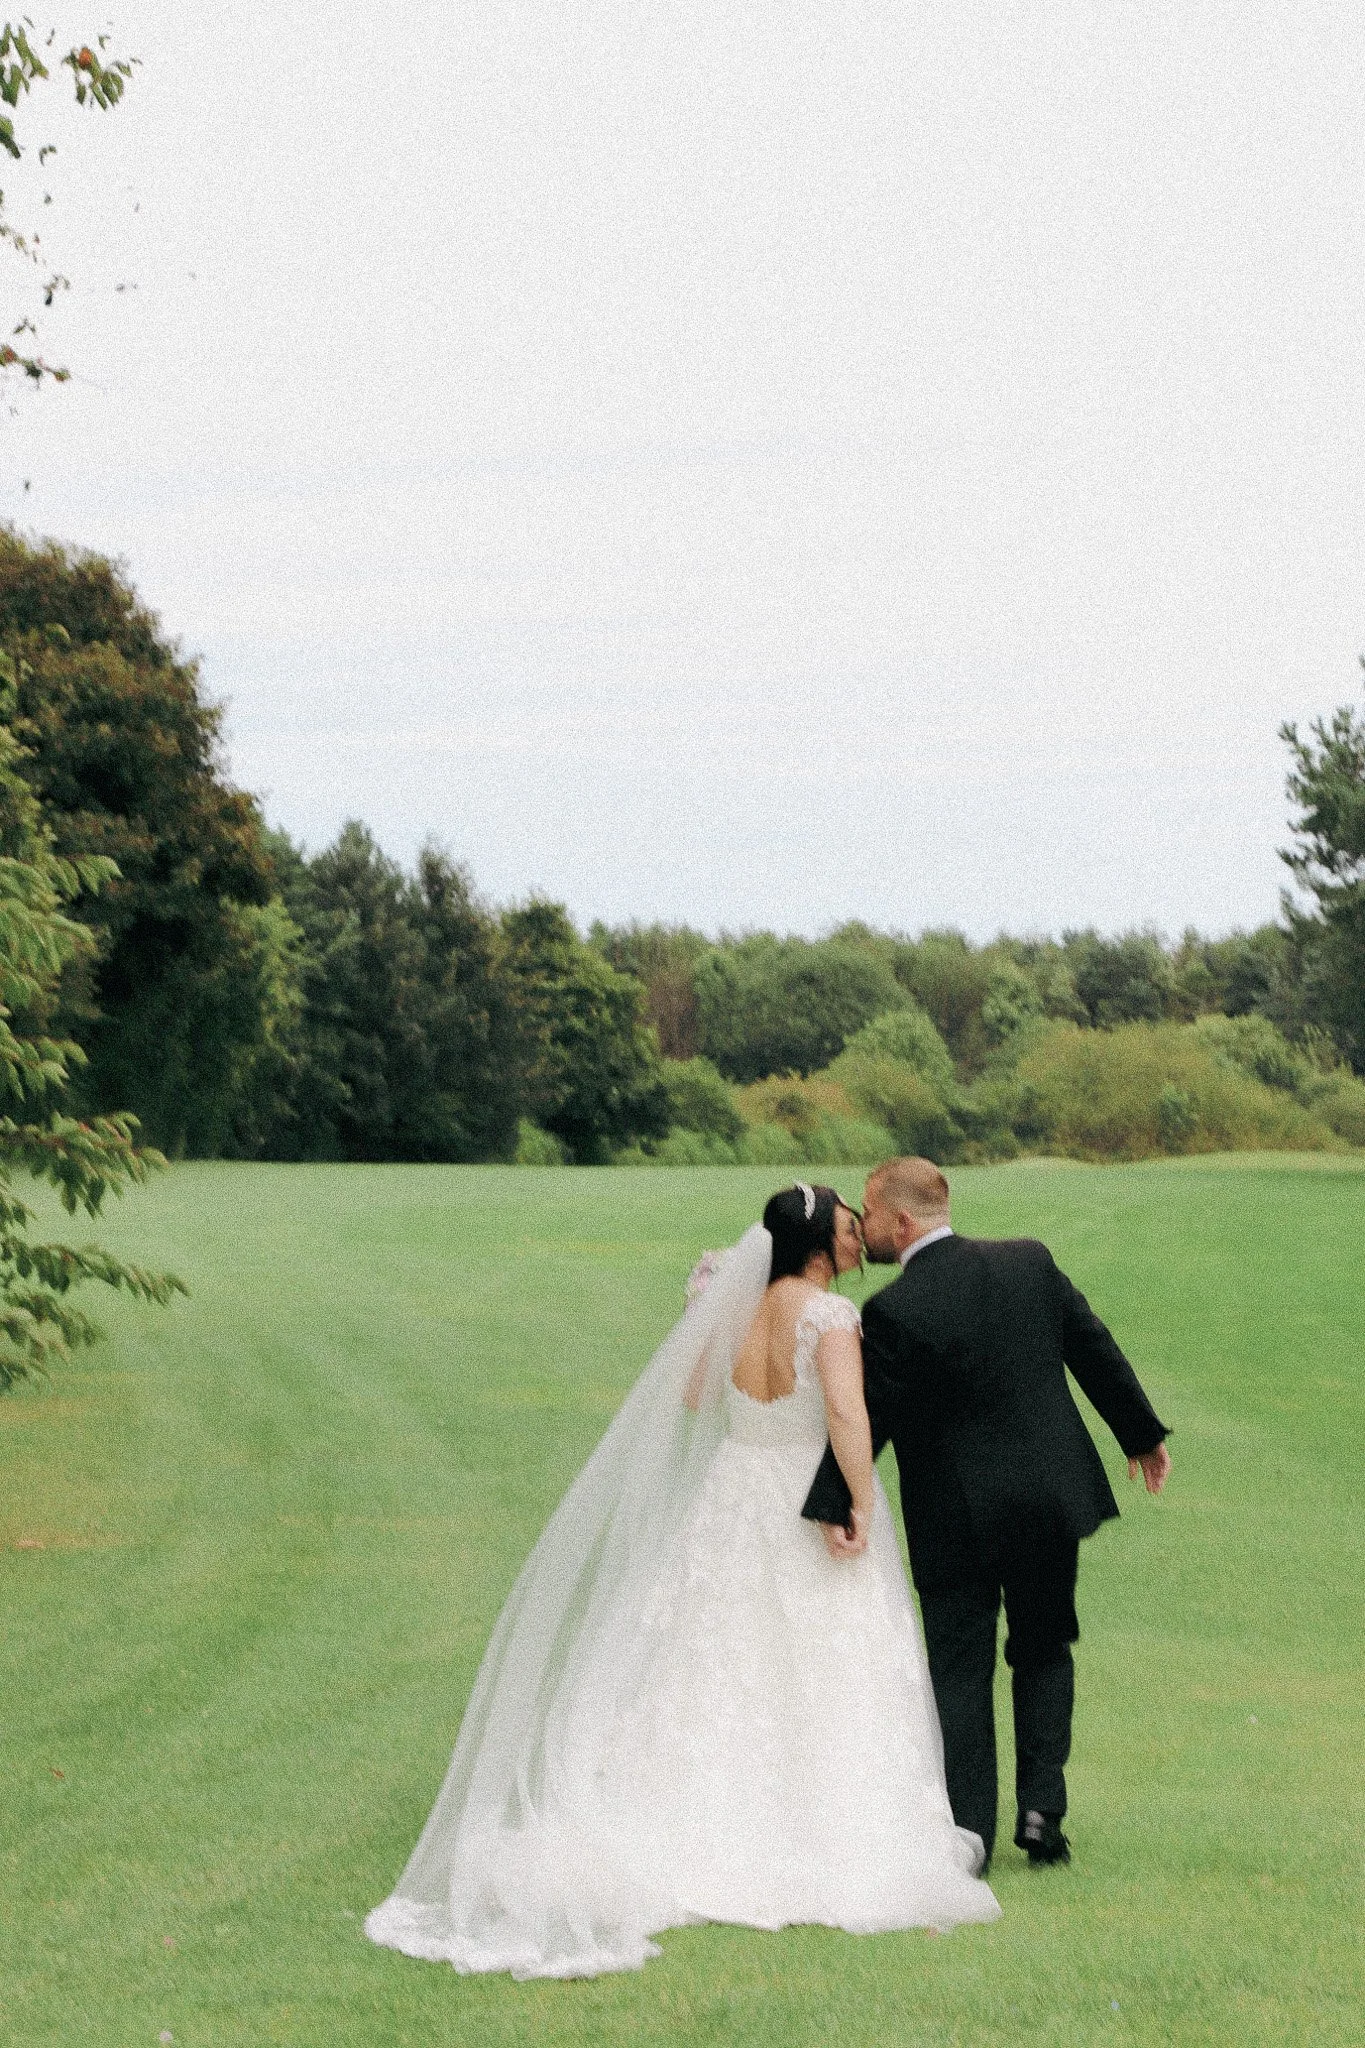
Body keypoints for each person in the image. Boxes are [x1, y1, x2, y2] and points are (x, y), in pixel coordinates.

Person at [365, 1183, 999, 1980]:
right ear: (815, 1242)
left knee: (717, 1648)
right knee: (824, 1652)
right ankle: (818, 1825)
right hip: (803, 1495)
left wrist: (717, 1321)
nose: (855, 1240)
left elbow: (697, 1393)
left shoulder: (739, 1312)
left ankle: (692, 1809)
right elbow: (845, 1415)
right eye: (845, 1227)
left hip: (735, 1491)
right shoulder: (831, 1318)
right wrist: (861, 1504)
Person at [803, 1157, 1171, 1870]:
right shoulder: (1028, 1263)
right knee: (1043, 1647)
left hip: (955, 1516)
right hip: (1046, 1500)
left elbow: (865, 1415)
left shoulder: (892, 1311)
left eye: (870, 1215)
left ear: (902, 1221)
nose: (864, 1227)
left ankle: (967, 1835)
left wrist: (834, 1501)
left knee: (960, 1671)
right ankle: (1040, 1813)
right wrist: (1141, 1433)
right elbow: (1090, 1345)